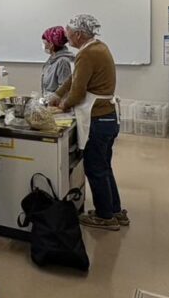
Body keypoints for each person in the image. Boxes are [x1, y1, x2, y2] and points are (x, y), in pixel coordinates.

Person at [50, 14, 126, 231]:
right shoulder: (97, 48)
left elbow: (77, 92)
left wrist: (61, 106)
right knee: (104, 166)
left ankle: (105, 217)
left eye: (69, 33)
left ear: (79, 34)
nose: (67, 37)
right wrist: (57, 94)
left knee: (95, 168)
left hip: (97, 119)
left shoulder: (87, 54)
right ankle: (114, 210)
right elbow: (73, 79)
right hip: (108, 118)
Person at [40, 26, 75, 97]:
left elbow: (64, 90)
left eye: (44, 43)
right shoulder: (53, 58)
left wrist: (51, 99)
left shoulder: (63, 62)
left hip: (55, 102)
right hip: (48, 99)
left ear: (51, 45)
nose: (43, 45)